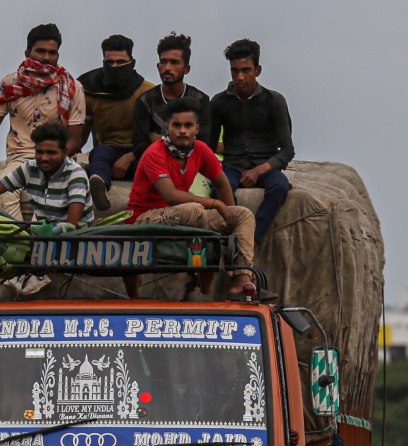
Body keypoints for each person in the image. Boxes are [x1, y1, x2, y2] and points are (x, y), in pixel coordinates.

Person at [0, 120, 91, 302]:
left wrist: (41, 235)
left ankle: (18, 266)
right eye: (40, 152)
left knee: (53, 230)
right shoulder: (30, 169)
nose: (44, 158)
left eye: (51, 153)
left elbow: (72, 225)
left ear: (64, 153)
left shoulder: (75, 174)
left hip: (67, 239)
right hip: (37, 233)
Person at [0, 23, 86, 213]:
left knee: (52, 202)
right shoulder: (10, 84)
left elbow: (75, 138)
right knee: (6, 194)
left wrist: (54, 161)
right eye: (40, 51)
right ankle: (17, 239)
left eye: (52, 53)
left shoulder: (72, 88)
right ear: (27, 53)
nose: (46, 57)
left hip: (56, 157)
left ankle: (40, 241)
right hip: (20, 156)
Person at [124, 97, 256, 290]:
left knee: (243, 214)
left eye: (188, 125)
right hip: (146, 217)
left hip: (184, 215)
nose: (182, 131)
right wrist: (217, 205)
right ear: (167, 128)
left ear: (197, 129)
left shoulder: (201, 150)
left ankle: (242, 277)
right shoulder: (155, 153)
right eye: (177, 125)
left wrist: (229, 216)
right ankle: (205, 267)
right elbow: (170, 195)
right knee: (193, 210)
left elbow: (222, 183)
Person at [210, 39, 295, 245]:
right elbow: (209, 145)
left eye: (246, 70)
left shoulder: (274, 101)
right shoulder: (219, 102)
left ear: (257, 70)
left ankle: (252, 239)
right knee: (217, 189)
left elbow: (287, 150)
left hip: (265, 167)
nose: (240, 77)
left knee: (280, 187)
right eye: (235, 71)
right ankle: (233, 231)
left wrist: (259, 171)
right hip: (232, 166)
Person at [77, 33, 155, 185]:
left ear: (131, 62)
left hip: (139, 152)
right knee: (99, 155)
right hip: (108, 150)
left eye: (120, 62)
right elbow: (83, 131)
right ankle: (99, 186)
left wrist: (129, 158)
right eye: (110, 62)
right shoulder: (92, 91)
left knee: (149, 166)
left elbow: (158, 137)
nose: (115, 67)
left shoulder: (148, 93)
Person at [129, 32, 214, 156]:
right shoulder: (145, 101)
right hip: (156, 166)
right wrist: (183, 143)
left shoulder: (200, 100)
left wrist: (161, 140)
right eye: (163, 62)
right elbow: (139, 147)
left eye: (174, 62)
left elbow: (204, 145)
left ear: (186, 69)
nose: (167, 68)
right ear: (158, 66)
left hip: (191, 169)